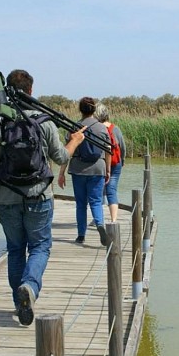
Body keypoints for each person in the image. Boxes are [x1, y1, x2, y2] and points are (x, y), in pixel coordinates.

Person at [0, 69, 85, 326]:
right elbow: (61, 158)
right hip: (39, 196)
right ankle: (30, 289)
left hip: (6, 197)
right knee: (40, 246)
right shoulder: (45, 122)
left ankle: (18, 301)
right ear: (31, 91)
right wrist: (75, 140)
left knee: (15, 249)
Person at [57, 97, 112, 247]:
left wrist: (61, 173)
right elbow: (108, 150)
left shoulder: (74, 127)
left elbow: (67, 151)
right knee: (96, 201)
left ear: (80, 110)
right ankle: (100, 224)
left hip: (78, 169)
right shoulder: (102, 128)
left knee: (81, 204)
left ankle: (81, 235)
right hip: (97, 168)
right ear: (94, 110)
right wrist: (107, 169)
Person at [94, 102, 126, 222]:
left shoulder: (96, 128)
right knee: (111, 190)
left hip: (101, 163)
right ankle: (113, 220)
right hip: (115, 163)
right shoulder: (115, 128)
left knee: (99, 190)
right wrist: (122, 160)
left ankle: (99, 219)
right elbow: (122, 146)